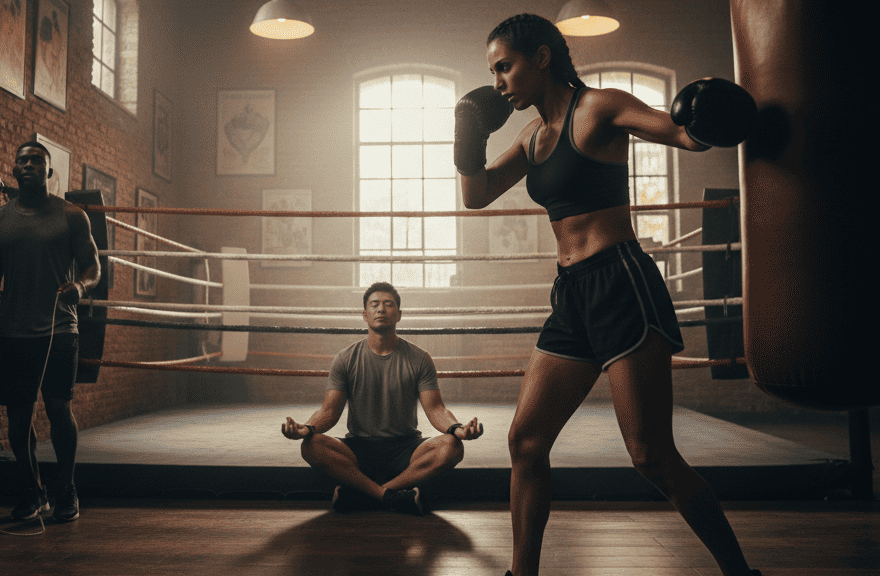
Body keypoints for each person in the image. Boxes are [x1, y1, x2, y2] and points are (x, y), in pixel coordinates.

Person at [455, 14, 760, 576]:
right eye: (492, 72)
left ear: (542, 57)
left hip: (620, 283)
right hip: (571, 294)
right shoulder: (531, 136)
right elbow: (476, 195)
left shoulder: (597, 107)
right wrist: (468, 132)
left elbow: (681, 134)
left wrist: (707, 117)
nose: (497, 82)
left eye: (505, 66)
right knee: (525, 442)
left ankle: (742, 574)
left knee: (650, 455)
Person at [0, 141, 101, 523]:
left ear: (49, 172)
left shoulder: (72, 216)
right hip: (13, 333)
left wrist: (80, 288)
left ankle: (66, 489)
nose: (28, 166)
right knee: (18, 420)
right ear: (14, 171)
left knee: (59, 410)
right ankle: (33, 491)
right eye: (22, 161)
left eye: (36, 161)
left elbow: (93, 268)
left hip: (59, 330)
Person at [281, 282, 484, 515]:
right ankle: (391, 497)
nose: (381, 309)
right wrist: (306, 428)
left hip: (406, 448)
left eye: (388, 305)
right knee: (311, 446)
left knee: (452, 447)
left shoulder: (419, 358)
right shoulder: (345, 359)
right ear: (365, 314)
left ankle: (367, 494)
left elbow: (436, 409)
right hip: (358, 449)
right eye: (374, 305)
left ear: (399, 314)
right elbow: (329, 411)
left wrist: (456, 429)